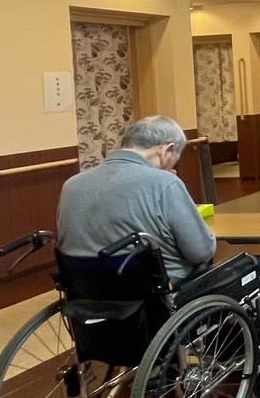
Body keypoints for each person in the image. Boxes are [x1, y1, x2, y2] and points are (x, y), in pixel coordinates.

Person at [56, 115, 216, 283]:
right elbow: (201, 252)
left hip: (85, 287)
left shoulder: (71, 185)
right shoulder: (165, 183)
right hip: (157, 289)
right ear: (166, 150)